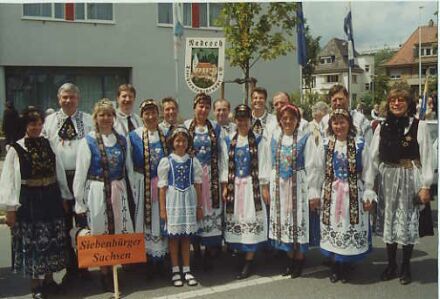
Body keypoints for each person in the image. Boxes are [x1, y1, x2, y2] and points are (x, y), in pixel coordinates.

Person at [0, 107, 73, 299]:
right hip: (29, 200)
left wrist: (64, 196)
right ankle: (36, 285)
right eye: (33, 124)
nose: (37, 127)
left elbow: (59, 171)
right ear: (25, 125)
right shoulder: (15, 149)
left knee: (52, 239)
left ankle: (49, 280)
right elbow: (8, 180)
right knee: (34, 241)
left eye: (40, 124)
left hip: (51, 197)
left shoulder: (49, 144)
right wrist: (10, 208)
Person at [366, 87, 433, 285]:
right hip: (387, 179)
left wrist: (426, 185)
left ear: (408, 103)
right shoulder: (381, 126)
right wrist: (370, 186)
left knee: (406, 223)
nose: (396, 103)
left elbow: (428, 157)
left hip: (409, 178)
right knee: (390, 222)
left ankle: (405, 266)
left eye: (401, 100)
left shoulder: (419, 126)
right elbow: (372, 158)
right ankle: (391, 264)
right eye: (393, 100)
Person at [73, 99, 134, 292]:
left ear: (114, 117)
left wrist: (131, 192)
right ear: (96, 118)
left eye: (109, 114)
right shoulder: (88, 141)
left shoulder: (122, 140)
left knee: (117, 231)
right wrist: (79, 201)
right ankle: (104, 272)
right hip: (97, 191)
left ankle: (115, 268)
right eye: (102, 115)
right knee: (101, 231)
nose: (106, 118)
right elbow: (81, 173)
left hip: (119, 189)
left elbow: (129, 168)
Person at [316, 108, 376, 283]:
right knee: (334, 225)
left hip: (353, 192)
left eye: (342, 122)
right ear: (330, 125)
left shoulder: (359, 143)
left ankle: (346, 264)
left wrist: (368, 193)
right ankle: (335, 266)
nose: (339, 126)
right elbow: (318, 169)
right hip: (331, 193)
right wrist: (315, 191)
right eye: (335, 123)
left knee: (349, 225)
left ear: (349, 124)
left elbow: (368, 170)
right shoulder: (326, 143)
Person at [42, 82, 93, 283]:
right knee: (63, 226)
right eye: (65, 97)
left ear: (78, 99)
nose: (69, 100)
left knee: (83, 225)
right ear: (58, 98)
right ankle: (69, 266)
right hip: (59, 180)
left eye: (72, 97)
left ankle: (84, 266)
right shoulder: (49, 121)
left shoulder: (88, 120)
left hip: (83, 178)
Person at [268, 104, 322, 278]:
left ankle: (299, 260)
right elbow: (269, 163)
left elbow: (313, 166)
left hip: (298, 185)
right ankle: (290, 259)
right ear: (280, 120)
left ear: (298, 120)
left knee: (297, 220)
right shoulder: (275, 138)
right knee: (284, 221)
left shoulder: (305, 139)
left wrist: (313, 190)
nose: (288, 121)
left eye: (292, 118)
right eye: (284, 118)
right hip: (279, 186)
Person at [220, 104, 270, 280]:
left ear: (250, 120)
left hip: (251, 186)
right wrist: (225, 185)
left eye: (245, 119)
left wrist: (264, 187)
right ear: (235, 120)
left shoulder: (258, 140)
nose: (242, 122)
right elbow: (224, 164)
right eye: (239, 119)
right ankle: (240, 255)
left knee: (251, 218)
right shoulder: (228, 140)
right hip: (235, 187)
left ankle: (249, 261)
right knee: (237, 220)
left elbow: (264, 163)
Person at [126, 99, 169, 276]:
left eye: (153, 113)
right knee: (144, 220)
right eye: (146, 113)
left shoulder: (165, 133)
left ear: (158, 115)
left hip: (162, 185)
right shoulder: (133, 136)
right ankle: (146, 259)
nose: (150, 117)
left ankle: (161, 258)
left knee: (161, 218)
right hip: (141, 184)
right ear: (142, 115)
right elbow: (129, 164)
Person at [158, 126, 203, 287]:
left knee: (186, 237)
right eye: (177, 140)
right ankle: (175, 269)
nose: (180, 143)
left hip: (188, 201)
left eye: (183, 140)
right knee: (173, 238)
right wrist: (163, 209)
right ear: (172, 142)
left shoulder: (193, 161)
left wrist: (199, 207)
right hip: (173, 201)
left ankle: (187, 269)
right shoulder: (166, 161)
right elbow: (162, 188)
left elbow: (198, 186)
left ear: (188, 142)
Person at [184, 93, 225, 270]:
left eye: (207, 107)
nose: (203, 110)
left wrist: (223, 181)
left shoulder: (215, 128)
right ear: (194, 107)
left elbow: (223, 155)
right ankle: (196, 251)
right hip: (192, 178)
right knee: (194, 210)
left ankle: (209, 250)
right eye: (200, 106)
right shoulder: (185, 126)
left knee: (210, 212)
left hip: (211, 177)